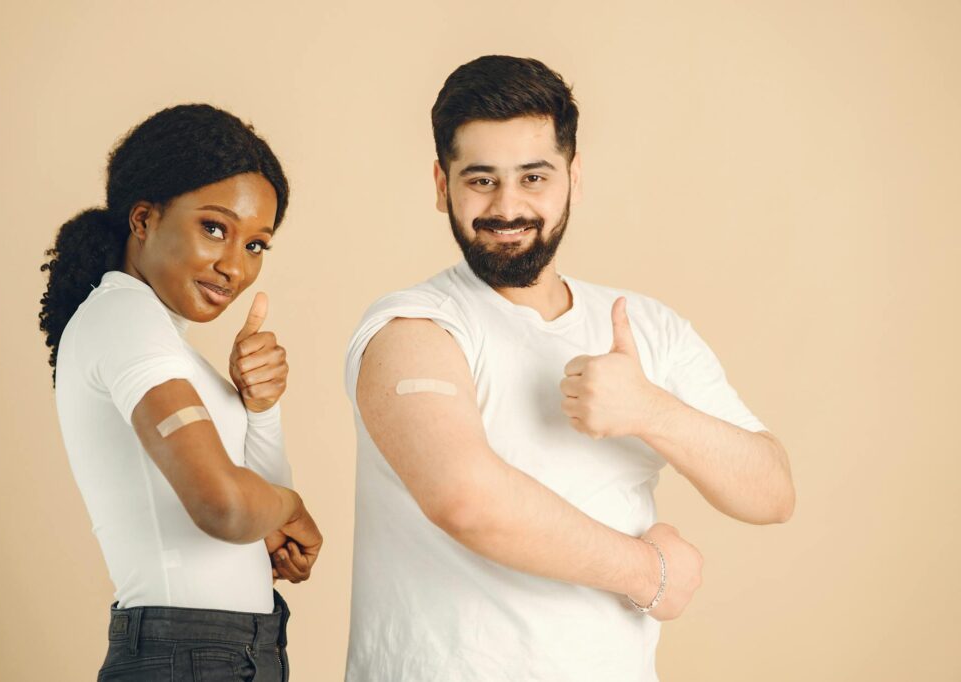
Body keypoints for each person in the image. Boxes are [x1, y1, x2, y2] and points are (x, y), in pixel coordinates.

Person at [344, 56, 795, 681]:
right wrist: (651, 575)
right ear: (442, 184)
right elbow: (466, 500)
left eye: (534, 177)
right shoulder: (412, 329)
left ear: (573, 178)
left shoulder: (646, 327)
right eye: (480, 180)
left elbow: (771, 491)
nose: (508, 207)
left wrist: (651, 410)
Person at [39, 104, 321, 681]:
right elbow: (222, 504)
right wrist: (289, 509)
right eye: (214, 228)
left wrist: (259, 408)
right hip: (190, 656)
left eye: (255, 245)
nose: (233, 267)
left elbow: (255, 519)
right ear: (143, 219)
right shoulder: (125, 320)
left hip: (231, 651)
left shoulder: (161, 344)